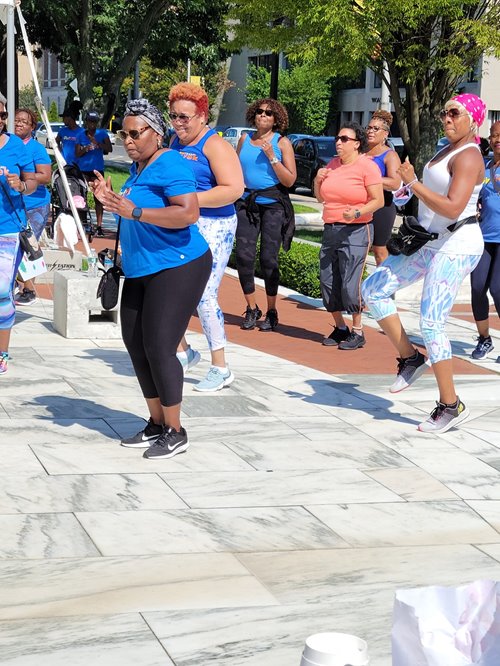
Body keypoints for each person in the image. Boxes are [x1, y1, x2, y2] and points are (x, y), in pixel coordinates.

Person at [90, 99, 211, 459]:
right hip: (142, 268)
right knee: (135, 343)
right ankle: (156, 423)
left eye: (134, 133)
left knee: (160, 345)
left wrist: (135, 210)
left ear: (157, 133)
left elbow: (188, 213)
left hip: (179, 265)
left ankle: (176, 430)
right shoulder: (138, 170)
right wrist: (112, 201)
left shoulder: (170, 162)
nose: (127, 140)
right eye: (123, 133)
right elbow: (134, 214)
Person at [362, 93, 486, 433]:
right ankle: (411, 358)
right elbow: (427, 195)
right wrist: (406, 187)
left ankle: (450, 404)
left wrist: (414, 182)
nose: (446, 118)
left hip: (458, 244)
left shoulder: (470, 155)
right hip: (431, 242)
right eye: (445, 112)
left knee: (431, 323)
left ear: (473, 120)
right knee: (373, 288)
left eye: (454, 113)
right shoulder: (445, 149)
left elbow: (452, 206)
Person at [168, 82, 244, 391]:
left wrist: (193, 199)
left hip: (215, 226)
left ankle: (221, 366)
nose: (179, 122)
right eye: (174, 115)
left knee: (203, 294)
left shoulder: (214, 145)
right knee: (169, 289)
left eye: (185, 116)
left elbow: (234, 189)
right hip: (182, 223)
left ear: (202, 115)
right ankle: (184, 351)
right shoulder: (174, 141)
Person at [314, 122, 384, 350]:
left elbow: (378, 200)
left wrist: (357, 211)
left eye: (344, 139)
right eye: (338, 138)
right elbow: (319, 198)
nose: (338, 142)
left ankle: (358, 331)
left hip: (356, 229)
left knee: (349, 282)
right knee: (327, 280)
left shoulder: (367, 166)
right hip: (331, 228)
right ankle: (340, 327)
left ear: (356, 144)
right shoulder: (332, 165)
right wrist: (317, 180)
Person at [235, 98, 296, 332]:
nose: (263, 116)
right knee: (243, 256)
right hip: (247, 204)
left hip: (273, 205)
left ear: (276, 119)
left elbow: (289, 180)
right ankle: (252, 308)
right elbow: (236, 171)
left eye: (269, 114)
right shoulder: (244, 139)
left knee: (269, 260)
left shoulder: (282, 143)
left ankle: (271, 310)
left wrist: (272, 156)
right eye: (260, 112)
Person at [0, 94, 37, 374]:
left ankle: (2, 354)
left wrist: (21, 186)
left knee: (2, 293)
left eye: (3, 116)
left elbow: (33, 180)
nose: (1, 121)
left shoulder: (15, 146)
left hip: (8, 230)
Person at [14, 108, 52, 306]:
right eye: (16, 120)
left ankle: (29, 289)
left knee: (30, 246)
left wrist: (22, 178)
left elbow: (45, 176)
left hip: (35, 205)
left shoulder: (36, 148)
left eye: (24, 121)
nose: (19, 124)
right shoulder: (8, 144)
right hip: (13, 205)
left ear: (32, 127)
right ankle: (16, 284)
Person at [470, 120, 500, 360]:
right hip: (483, 236)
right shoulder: (485, 166)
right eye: (494, 134)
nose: (497, 139)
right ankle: (484, 339)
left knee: (498, 290)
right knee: (478, 287)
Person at [365, 110, 402, 265]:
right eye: (369, 127)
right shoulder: (359, 151)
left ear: (385, 134)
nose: (370, 131)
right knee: (359, 248)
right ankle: (356, 288)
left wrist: (370, 179)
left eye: (376, 128)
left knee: (379, 251)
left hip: (382, 206)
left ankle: (384, 288)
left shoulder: (390, 155)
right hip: (360, 204)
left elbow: (395, 182)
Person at [75, 111, 112, 237]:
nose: (92, 124)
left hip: (97, 169)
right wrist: (86, 149)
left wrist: (97, 144)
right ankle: (83, 224)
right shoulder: (81, 135)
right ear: (86, 122)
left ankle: (99, 226)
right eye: (90, 121)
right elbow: (77, 154)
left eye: (94, 121)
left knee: (98, 198)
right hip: (84, 169)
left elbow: (109, 148)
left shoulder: (102, 133)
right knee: (82, 197)